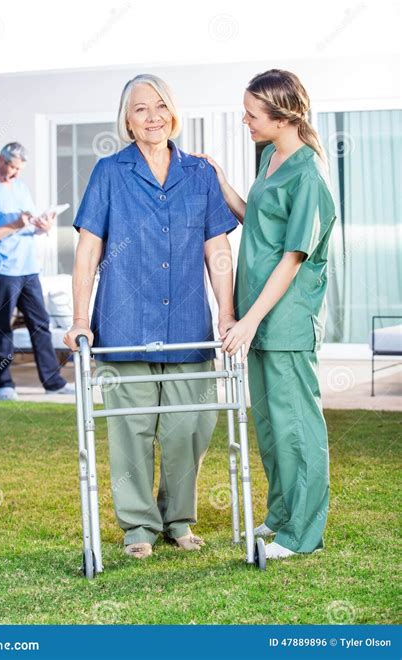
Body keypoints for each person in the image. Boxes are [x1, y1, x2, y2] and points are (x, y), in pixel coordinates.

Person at [64, 74, 238, 559]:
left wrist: (226, 311)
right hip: (124, 326)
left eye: (161, 106)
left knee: (190, 427)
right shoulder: (109, 172)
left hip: (188, 326)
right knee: (132, 429)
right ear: (127, 120)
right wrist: (80, 317)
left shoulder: (199, 174)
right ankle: (139, 527)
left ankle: (177, 517)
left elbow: (217, 247)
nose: (153, 116)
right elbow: (88, 249)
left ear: (173, 111)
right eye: (141, 109)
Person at [196, 69, 337, 560]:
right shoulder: (269, 157)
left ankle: (302, 536)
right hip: (256, 318)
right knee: (273, 428)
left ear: (283, 116)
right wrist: (221, 181)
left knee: (296, 427)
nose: (245, 121)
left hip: (285, 319)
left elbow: (292, 258)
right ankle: (280, 517)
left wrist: (249, 319)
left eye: (253, 115)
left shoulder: (309, 175)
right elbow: (254, 219)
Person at [0, 142, 75, 401]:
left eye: (20, 169)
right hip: (3, 270)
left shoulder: (20, 187)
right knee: (2, 327)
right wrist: (15, 224)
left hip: (29, 269)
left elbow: (30, 226)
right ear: (1, 160)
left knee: (41, 325)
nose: (17, 174)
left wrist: (43, 225)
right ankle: (3, 384)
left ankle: (53, 382)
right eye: (14, 168)